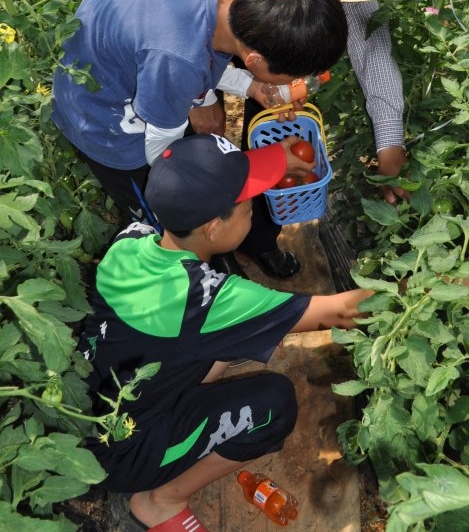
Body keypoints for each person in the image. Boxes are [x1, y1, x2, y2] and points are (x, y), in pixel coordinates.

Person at [79, 132, 372, 532]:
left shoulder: (132, 240)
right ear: (214, 228)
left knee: (223, 341)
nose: (253, 213)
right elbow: (339, 312)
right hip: (124, 450)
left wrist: (280, 160)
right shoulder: (205, 299)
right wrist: (423, 287)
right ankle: (161, 501)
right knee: (274, 403)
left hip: (92, 410)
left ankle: (175, 417)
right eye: (248, 208)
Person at [142, 0, 420, 274]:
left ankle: (255, 237)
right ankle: (202, 248)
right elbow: (162, 14)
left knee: (273, 119)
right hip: (192, 36)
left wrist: (389, 144)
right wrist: (199, 97)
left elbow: (372, 52)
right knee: (188, 144)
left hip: (264, 42)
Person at [52, 0, 347, 278]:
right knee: (171, 211)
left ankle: (218, 249)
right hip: (109, 126)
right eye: (290, 76)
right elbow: (168, 168)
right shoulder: (177, 63)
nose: (293, 83)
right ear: (255, 60)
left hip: (139, 81)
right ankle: (200, 267)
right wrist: (270, 162)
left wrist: (252, 86)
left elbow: (193, 53)